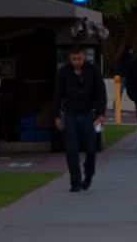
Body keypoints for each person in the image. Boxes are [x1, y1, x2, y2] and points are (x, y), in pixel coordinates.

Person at [53, 45, 106, 192]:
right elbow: (57, 95)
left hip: (89, 113)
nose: (77, 62)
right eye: (74, 59)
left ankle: (89, 174)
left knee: (90, 148)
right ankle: (75, 181)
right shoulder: (64, 72)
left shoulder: (93, 71)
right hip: (71, 113)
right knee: (71, 149)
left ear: (84, 57)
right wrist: (56, 116)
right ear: (70, 59)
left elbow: (101, 92)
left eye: (79, 59)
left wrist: (101, 113)